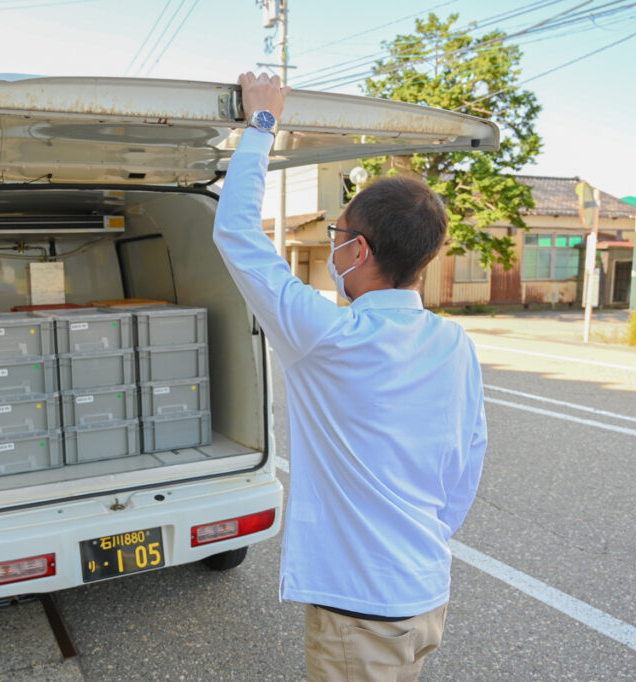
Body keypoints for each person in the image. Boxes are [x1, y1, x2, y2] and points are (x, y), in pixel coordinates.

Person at [213, 71, 488, 682]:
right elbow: (468, 457)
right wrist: (419, 537)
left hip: (359, 611)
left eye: (337, 236)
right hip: (424, 591)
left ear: (358, 251)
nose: (334, 247)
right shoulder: (453, 342)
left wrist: (262, 123)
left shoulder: (327, 337)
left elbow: (234, 232)